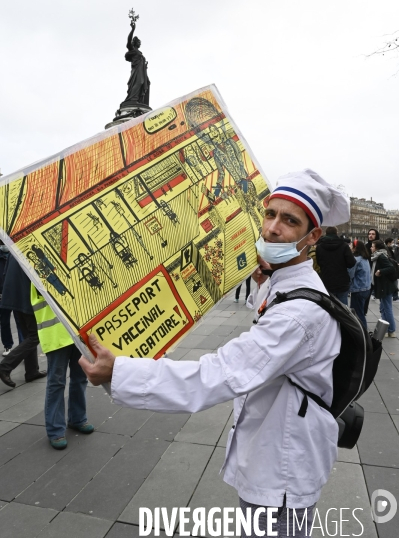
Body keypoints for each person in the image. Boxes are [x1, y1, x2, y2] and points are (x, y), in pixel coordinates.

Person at [80, 169, 350, 538]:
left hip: (281, 470)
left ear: (312, 236)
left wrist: (121, 373)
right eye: (270, 214)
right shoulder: (287, 284)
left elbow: (220, 373)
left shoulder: (299, 315)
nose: (272, 228)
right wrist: (263, 284)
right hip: (277, 449)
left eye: (289, 221)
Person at [31, 285, 93, 449]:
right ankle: (55, 430)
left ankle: (78, 418)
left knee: (80, 377)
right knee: (56, 382)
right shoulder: (39, 262)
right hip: (56, 334)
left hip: (77, 331)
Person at [0, 255, 47, 388]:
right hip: (26, 296)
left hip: (13, 296)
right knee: (34, 336)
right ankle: (5, 366)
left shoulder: (14, 247)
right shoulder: (30, 247)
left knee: (28, 334)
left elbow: (5, 272)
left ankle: (32, 371)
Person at [315, 226, 356, 305]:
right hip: (342, 281)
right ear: (336, 233)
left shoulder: (319, 247)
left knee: (329, 308)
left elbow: (319, 262)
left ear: (326, 233)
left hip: (326, 281)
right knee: (343, 309)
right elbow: (352, 262)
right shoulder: (344, 245)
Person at [371, 239, 397, 338]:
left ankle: (391, 330)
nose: (371, 248)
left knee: (387, 308)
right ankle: (387, 329)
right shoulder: (379, 255)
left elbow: (391, 268)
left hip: (385, 287)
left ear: (377, 248)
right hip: (384, 286)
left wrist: (380, 271)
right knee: (384, 307)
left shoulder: (381, 256)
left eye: (372, 246)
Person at [348, 241, 371, 330]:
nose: (350, 247)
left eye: (351, 246)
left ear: (355, 248)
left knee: (358, 314)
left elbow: (351, 274)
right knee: (360, 311)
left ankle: (364, 333)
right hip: (366, 288)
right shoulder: (365, 259)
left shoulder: (356, 260)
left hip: (358, 289)